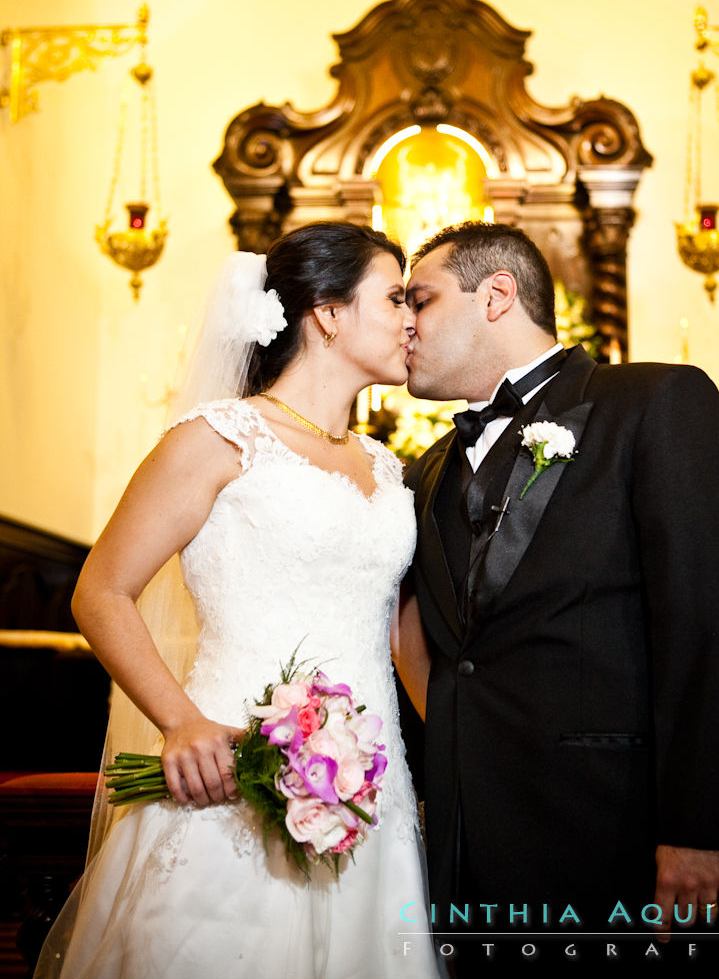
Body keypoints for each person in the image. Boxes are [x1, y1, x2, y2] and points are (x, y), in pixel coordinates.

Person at [35, 222, 443, 979]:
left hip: (370, 787)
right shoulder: (219, 437)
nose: (411, 317)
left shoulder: (387, 468)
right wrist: (180, 721)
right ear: (327, 312)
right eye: (393, 297)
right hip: (231, 772)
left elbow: (396, 629)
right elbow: (102, 591)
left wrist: (455, 757)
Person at [394, 221, 719, 976]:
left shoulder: (655, 402)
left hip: (625, 839)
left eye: (423, 298)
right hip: (467, 858)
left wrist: (706, 827)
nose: (406, 323)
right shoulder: (423, 473)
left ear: (498, 295)